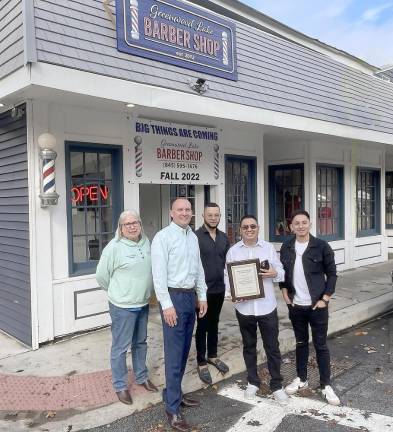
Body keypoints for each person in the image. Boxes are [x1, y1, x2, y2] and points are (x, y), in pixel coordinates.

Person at [151, 198, 208, 432]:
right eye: (180, 209)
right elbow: (158, 275)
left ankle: (174, 393)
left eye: (188, 210)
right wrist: (166, 305)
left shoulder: (192, 237)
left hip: (189, 298)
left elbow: (199, 268)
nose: (185, 213)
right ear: (171, 212)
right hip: (173, 298)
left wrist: (202, 295)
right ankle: (172, 409)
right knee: (174, 355)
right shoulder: (162, 238)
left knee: (184, 351)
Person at [225, 215, 289, 405]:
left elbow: (282, 271)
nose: (249, 229)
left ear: (258, 228)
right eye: (245, 227)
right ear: (240, 230)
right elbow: (227, 277)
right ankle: (253, 381)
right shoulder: (233, 251)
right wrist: (232, 293)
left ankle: (277, 385)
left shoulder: (268, 248)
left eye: (253, 226)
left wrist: (275, 273)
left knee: (272, 347)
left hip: (267, 307)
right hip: (244, 308)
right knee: (249, 346)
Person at [96, 210, 158, 406]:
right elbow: (101, 277)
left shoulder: (146, 243)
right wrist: (119, 292)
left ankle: (142, 377)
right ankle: (120, 385)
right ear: (120, 228)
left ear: (140, 224)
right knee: (120, 347)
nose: (132, 226)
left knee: (140, 343)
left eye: (135, 223)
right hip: (122, 307)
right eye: (127, 224)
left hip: (143, 304)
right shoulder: (113, 248)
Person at [279, 210, 340, 406]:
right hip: (296, 305)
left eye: (304, 222)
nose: (301, 226)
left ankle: (325, 385)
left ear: (310, 224)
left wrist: (325, 298)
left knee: (321, 345)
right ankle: (301, 378)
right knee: (301, 343)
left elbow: (332, 274)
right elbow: (283, 274)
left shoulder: (321, 246)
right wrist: (285, 294)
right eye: (297, 223)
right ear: (291, 227)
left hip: (317, 306)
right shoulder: (286, 247)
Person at [195, 203, 230, 385]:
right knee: (202, 325)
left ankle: (213, 355)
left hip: (219, 289)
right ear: (203, 215)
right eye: (210, 215)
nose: (213, 218)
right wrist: (196, 293)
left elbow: (229, 264)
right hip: (202, 291)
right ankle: (201, 361)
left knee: (215, 323)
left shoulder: (224, 238)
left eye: (216, 215)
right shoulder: (195, 237)